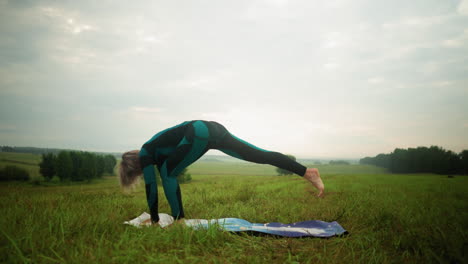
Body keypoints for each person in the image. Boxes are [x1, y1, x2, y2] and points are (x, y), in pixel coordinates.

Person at [119, 120, 324, 225]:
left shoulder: (146, 152)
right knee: (259, 155)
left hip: (199, 132)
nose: (141, 175)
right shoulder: (157, 151)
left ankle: (179, 220)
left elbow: (151, 187)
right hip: (213, 129)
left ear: (134, 167)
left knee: (167, 173)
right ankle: (307, 172)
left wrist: (154, 220)